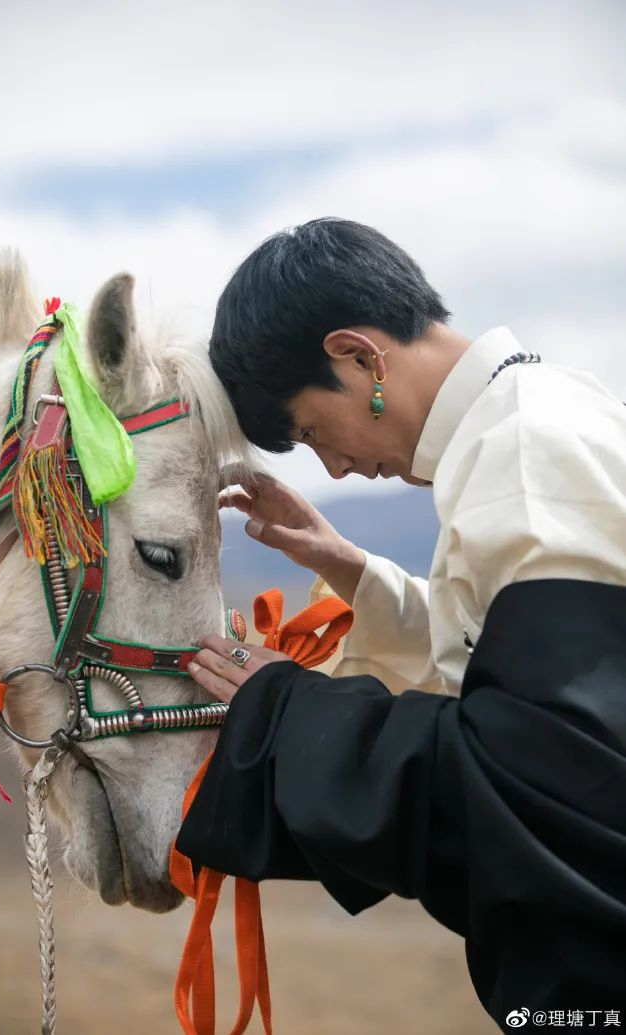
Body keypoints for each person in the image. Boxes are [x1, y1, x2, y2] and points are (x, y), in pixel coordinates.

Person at [176, 218, 626, 1029]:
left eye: (313, 430)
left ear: (359, 356)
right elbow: (532, 676)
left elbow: (555, 781)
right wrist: (349, 564)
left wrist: (286, 712)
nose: (336, 466)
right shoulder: (539, 419)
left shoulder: (524, 454)